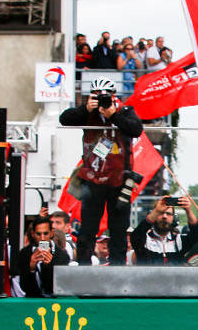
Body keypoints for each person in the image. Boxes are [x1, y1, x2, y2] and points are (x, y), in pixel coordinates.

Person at [59, 76, 143, 266]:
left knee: (119, 229)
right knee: (88, 228)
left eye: (105, 96)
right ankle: (83, 266)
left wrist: (114, 115)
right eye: (96, 96)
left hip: (119, 179)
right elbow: (64, 119)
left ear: (113, 96)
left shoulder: (125, 110)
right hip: (93, 179)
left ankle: (118, 269)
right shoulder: (88, 113)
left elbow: (136, 129)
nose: (101, 100)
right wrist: (85, 108)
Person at [130, 196, 198, 265]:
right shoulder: (145, 240)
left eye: (168, 214)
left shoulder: (179, 240)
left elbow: (197, 235)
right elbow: (136, 235)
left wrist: (188, 210)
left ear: (173, 218)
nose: (164, 216)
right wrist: (157, 210)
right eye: (161, 213)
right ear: (154, 215)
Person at [15, 216, 70, 297]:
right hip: (32, 300)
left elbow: (58, 287)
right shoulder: (25, 253)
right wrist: (32, 268)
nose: (42, 238)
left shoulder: (61, 255)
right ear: (33, 234)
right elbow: (24, 287)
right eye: (38, 234)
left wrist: (48, 266)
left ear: (51, 233)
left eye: (45, 233)